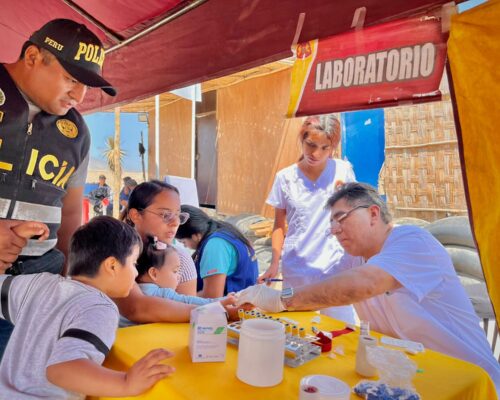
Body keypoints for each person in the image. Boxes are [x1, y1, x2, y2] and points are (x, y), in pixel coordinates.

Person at [237, 182, 500, 392]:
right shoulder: (354, 257)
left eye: (341, 218)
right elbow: (323, 291)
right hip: (410, 377)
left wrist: (282, 299)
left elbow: (365, 284)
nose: (334, 230)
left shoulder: (413, 241)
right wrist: (258, 299)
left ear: (374, 213)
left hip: (467, 380)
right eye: (331, 223)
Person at [0, 18, 116, 357]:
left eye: (85, 86)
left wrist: (72, 279)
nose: (79, 95)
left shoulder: (76, 132)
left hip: (37, 286)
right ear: (33, 57)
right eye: (70, 78)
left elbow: (69, 211)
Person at [0, 216, 175, 398]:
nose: (136, 273)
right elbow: (62, 369)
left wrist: (12, 242)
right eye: (133, 263)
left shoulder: (38, 284)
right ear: (112, 265)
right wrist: (125, 383)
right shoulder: (99, 307)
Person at [259, 114, 358, 323]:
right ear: (302, 139)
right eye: (310, 144)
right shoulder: (285, 178)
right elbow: (279, 225)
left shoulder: (342, 171)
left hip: (335, 266)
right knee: (301, 330)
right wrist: (274, 263)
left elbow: (355, 212)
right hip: (298, 268)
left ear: (333, 147)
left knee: (341, 330)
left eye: (325, 148)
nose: (316, 153)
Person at [118, 180, 199, 323]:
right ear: (135, 215)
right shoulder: (117, 252)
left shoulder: (180, 259)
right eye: (165, 215)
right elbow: (136, 308)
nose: (175, 223)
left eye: (178, 215)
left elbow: (185, 310)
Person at [120, 236, 236, 327]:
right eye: (175, 271)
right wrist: (220, 302)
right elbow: (188, 301)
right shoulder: (161, 294)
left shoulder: (130, 289)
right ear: (154, 274)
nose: (179, 277)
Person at [175, 205, 259, 298]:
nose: (185, 246)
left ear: (196, 235)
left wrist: (179, 299)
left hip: (233, 306)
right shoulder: (224, 230)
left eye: (183, 242)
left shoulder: (215, 245)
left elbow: (212, 296)